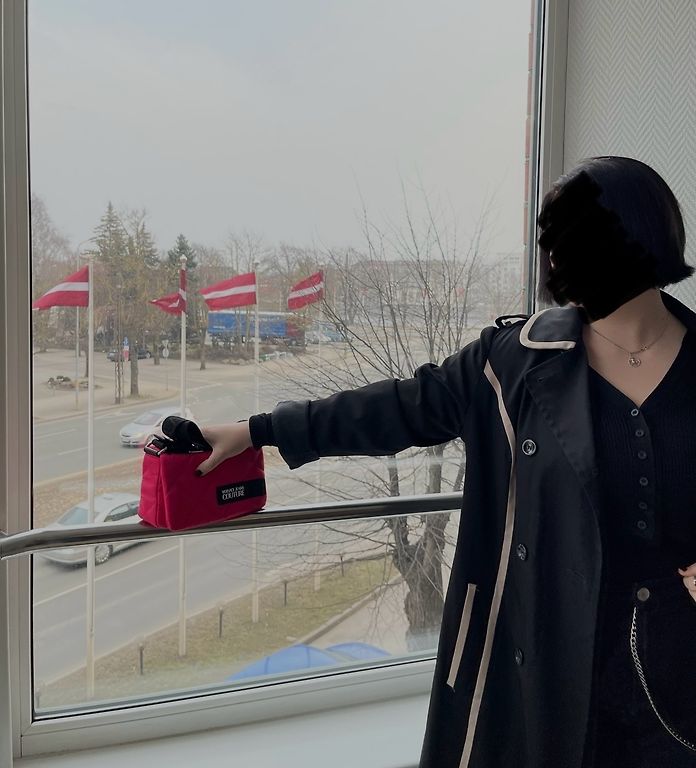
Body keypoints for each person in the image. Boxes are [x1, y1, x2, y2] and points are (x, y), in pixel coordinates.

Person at [196, 156, 696, 768]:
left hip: (679, 681)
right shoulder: (513, 361)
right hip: (548, 667)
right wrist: (260, 430)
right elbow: (401, 407)